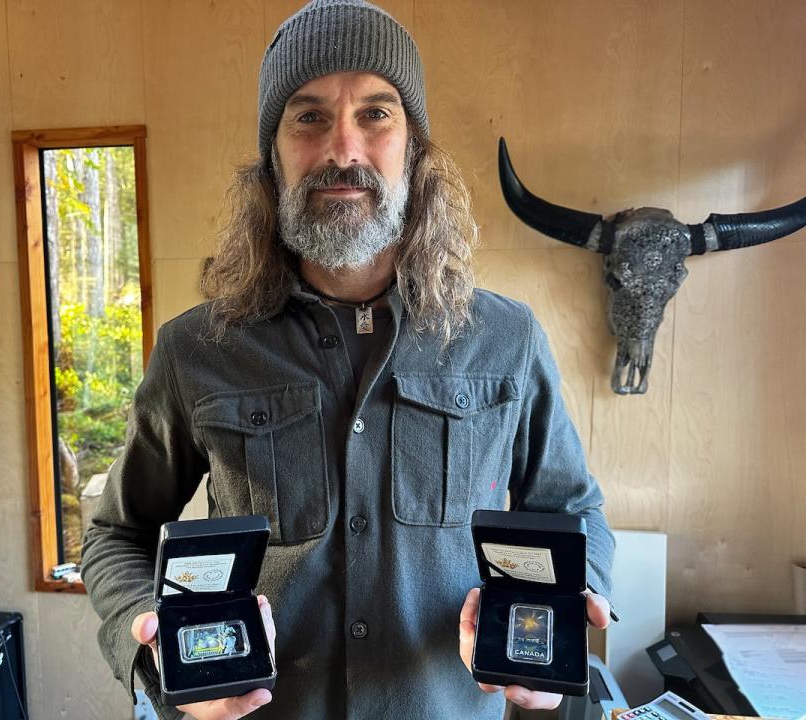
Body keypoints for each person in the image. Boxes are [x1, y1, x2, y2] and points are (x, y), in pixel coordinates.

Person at [81, 1, 615, 718]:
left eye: (375, 114)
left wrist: (574, 611)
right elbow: (117, 532)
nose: (343, 149)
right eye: (308, 117)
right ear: (270, 157)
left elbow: (574, 510)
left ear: (415, 149)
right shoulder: (196, 350)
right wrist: (148, 640)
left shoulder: (506, 340)